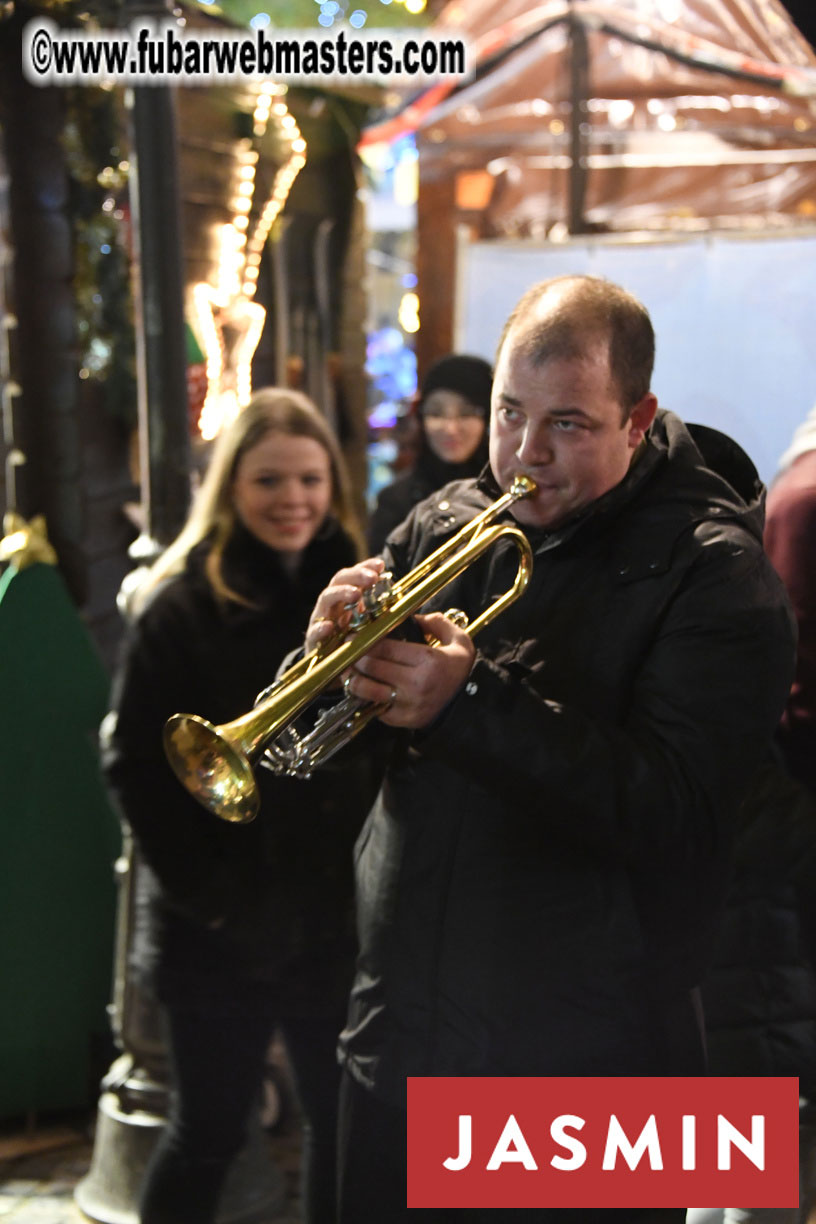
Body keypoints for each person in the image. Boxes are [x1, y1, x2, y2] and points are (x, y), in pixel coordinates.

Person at [303, 274, 797, 1223]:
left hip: (590, 1065)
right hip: (400, 1035)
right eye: (508, 413)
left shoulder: (718, 574)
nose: (525, 453)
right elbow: (338, 766)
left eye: (567, 423)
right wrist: (327, 664)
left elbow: (675, 813)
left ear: (638, 420)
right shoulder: (442, 521)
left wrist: (467, 703)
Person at [101, 388, 376, 1224]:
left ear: (333, 485)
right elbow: (135, 767)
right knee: (209, 1131)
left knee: (338, 1125)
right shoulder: (180, 605)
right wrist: (220, 903)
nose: (293, 499)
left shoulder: (361, 596)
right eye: (268, 480)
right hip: (215, 929)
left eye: (310, 480)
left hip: (330, 916)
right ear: (231, 488)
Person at [368, 353, 492, 553]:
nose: (450, 428)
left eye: (466, 413)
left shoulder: (511, 497)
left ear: (488, 418)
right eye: (436, 413)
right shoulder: (395, 501)